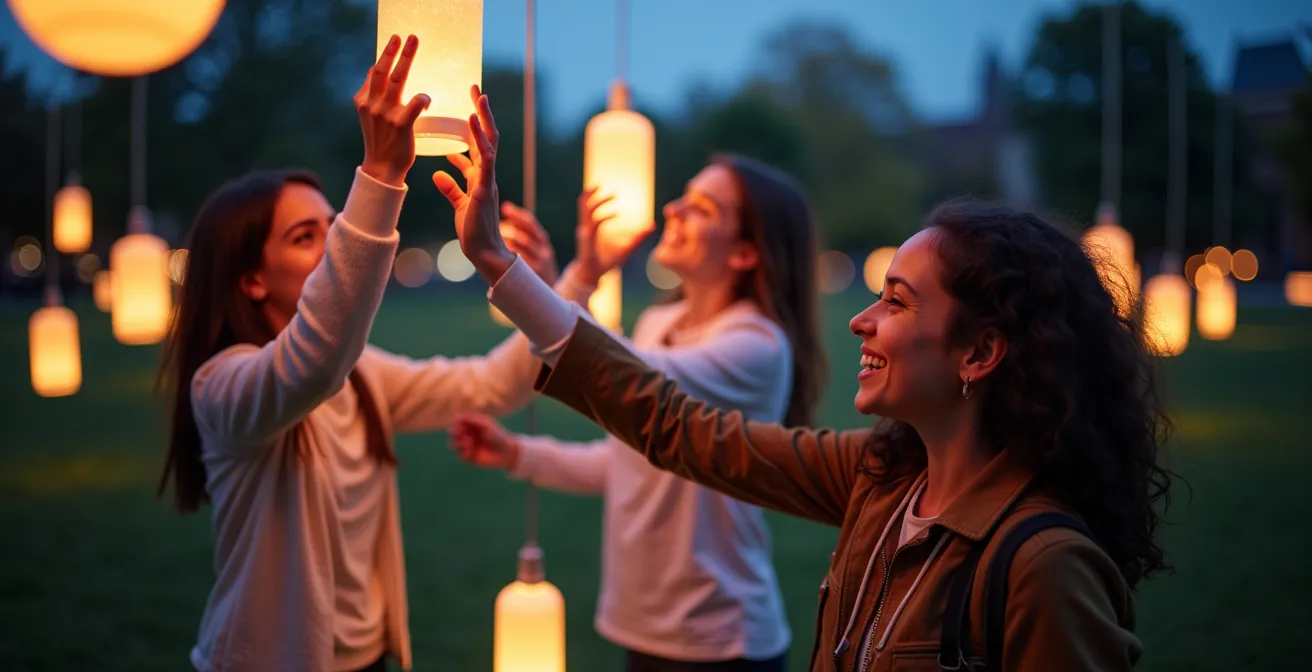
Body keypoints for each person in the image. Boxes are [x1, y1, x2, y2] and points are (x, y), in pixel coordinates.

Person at [437, 95, 1174, 671]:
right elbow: (679, 430)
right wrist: (503, 268)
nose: (860, 321)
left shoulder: (1043, 568)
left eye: (896, 300)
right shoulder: (878, 479)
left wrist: (520, 272)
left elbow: (660, 406)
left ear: (978, 353)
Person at [154, 38, 601, 672]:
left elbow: (492, 386)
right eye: (308, 237)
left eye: (333, 225)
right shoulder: (223, 387)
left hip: (368, 657)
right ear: (251, 279)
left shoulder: (364, 376)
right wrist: (382, 176)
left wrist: (574, 283)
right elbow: (313, 360)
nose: (332, 242)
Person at [450, 152, 826, 671]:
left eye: (702, 207)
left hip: (720, 639)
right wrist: (517, 453)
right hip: (643, 627)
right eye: (684, 195)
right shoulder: (658, 321)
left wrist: (527, 269)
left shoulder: (756, 346)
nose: (673, 208)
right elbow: (630, 461)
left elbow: (611, 371)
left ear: (744, 252)